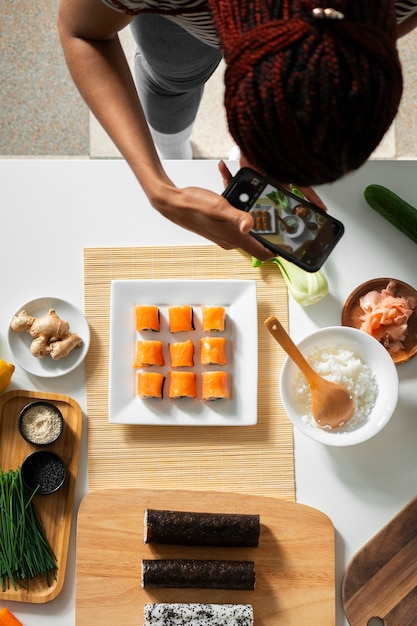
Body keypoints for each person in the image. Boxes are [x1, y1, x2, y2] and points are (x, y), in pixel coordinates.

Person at [57, 1, 405, 260]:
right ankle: (172, 145)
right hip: (181, 19)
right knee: (172, 81)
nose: (273, 182)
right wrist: (157, 187)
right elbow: (83, 31)